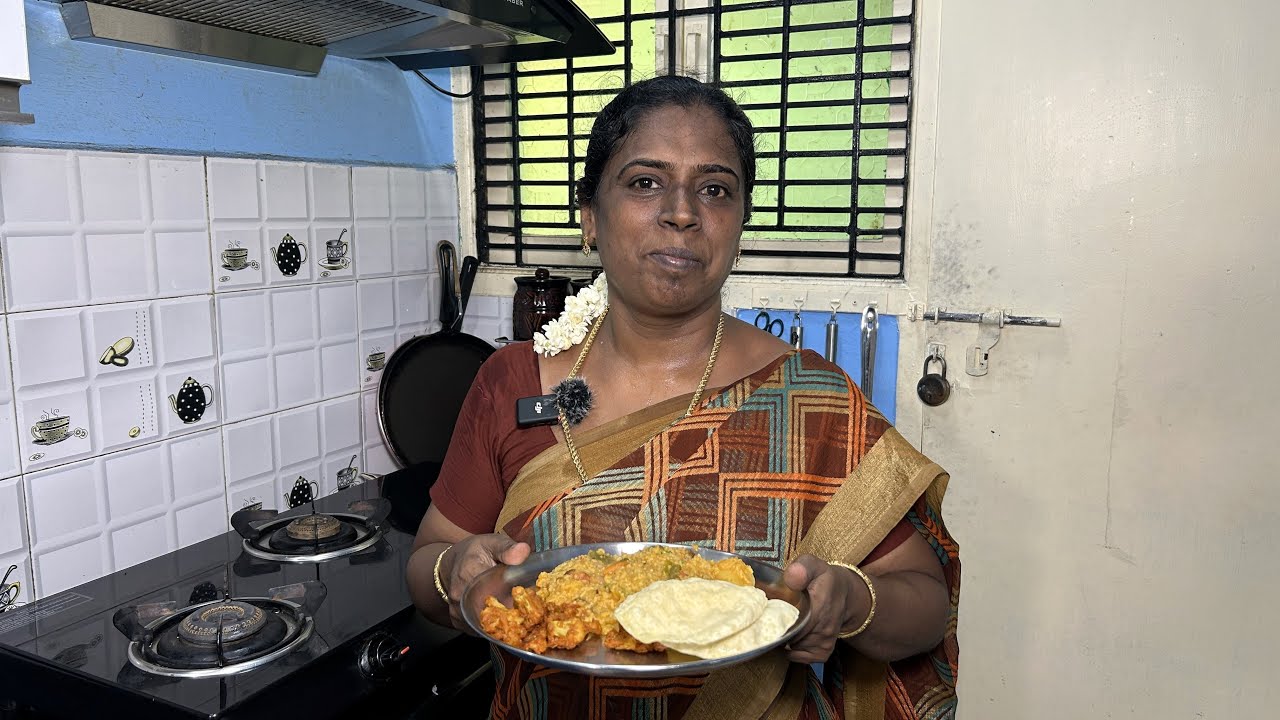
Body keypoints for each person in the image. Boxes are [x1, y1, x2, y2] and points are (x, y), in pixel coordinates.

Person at [406, 75, 961, 720]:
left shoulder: (814, 401)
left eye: (715, 189)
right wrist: (455, 571)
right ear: (590, 216)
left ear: (740, 222)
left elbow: (925, 604)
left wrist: (850, 603)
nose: (681, 211)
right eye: (645, 181)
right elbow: (425, 565)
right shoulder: (511, 382)